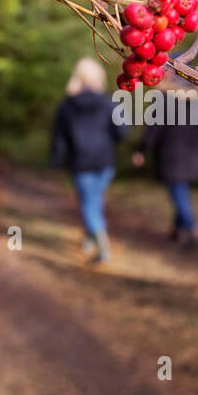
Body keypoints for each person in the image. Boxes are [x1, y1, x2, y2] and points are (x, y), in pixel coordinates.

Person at [51, 57, 128, 264]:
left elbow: (59, 137)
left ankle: (103, 248)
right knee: (94, 202)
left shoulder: (67, 105)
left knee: (89, 204)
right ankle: (91, 237)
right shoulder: (108, 102)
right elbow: (121, 132)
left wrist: (57, 161)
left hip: (80, 162)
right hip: (104, 162)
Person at [133, 85, 198, 247]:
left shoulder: (163, 100)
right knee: (181, 191)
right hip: (192, 155)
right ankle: (177, 231)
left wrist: (142, 150)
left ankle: (194, 229)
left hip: (170, 157)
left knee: (179, 193)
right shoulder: (197, 99)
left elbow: (153, 130)